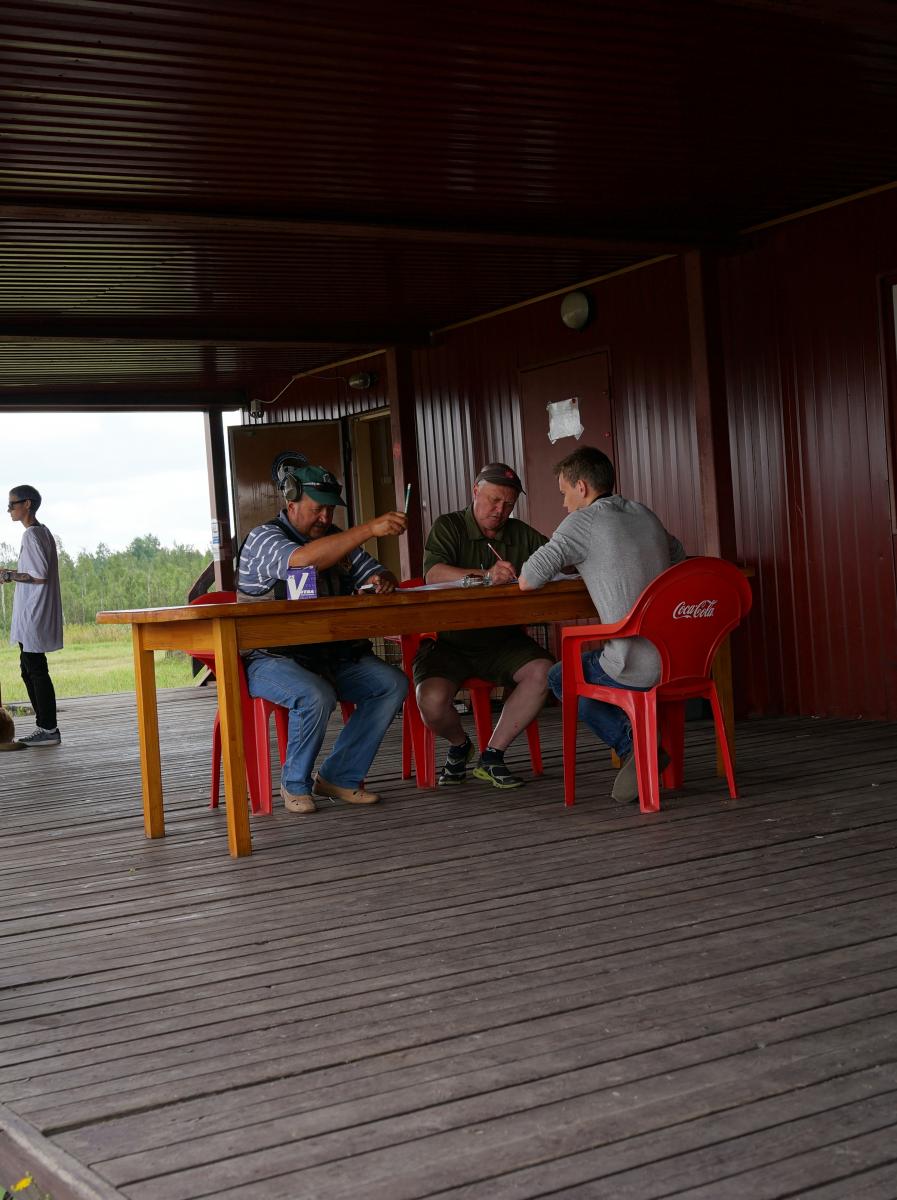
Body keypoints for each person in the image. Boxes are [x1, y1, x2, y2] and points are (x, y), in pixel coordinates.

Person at [237, 463, 409, 814]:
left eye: (330, 509)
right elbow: (301, 561)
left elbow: (377, 571)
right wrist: (370, 528)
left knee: (392, 684)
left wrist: (382, 580)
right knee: (315, 694)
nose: (325, 517)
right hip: (271, 658)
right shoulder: (263, 538)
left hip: (329, 656)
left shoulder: (337, 540)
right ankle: (295, 784)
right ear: (291, 504)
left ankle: (339, 776)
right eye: (318, 508)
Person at [519, 446, 686, 803]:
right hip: (676, 658)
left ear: (581, 487)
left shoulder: (582, 522)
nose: (564, 504)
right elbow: (677, 554)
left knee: (560, 676)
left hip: (630, 664)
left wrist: (578, 556)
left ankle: (634, 747)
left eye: (564, 493)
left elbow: (528, 579)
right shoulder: (644, 513)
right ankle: (641, 747)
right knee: (584, 675)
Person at [415, 462, 552, 790]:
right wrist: (486, 576)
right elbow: (433, 573)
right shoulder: (450, 526)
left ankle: (492, 755)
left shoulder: (520, 533)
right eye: (494, 500)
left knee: (545, 672)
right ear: (476, 491)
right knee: (431, 701)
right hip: (449, 640)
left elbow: (556, 557)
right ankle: (460, 745)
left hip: (503, 640)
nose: (500, 510)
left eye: (508, 504)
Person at [1, 485, 64, 747]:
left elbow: (38, 576)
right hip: (33, 612)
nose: (9, 510)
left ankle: (48, 728)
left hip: (34, 612)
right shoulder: (42, 532)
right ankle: (45, 726)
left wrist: (8, 575)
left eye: (12, 504)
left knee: (35, 670)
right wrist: (12, 573)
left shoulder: (32, 535)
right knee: (29, 669)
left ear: (27, 504)